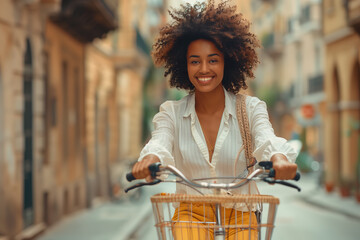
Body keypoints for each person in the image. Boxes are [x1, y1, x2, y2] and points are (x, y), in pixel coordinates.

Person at [131, 1, 298, 239]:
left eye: (213, 59)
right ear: (184, 65)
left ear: (226, 61)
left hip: (241, 211)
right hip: (191, 210)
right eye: (195, 61)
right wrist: (149, 159)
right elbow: (160, 140)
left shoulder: (250, 108)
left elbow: (265, 138)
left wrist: (279, 159)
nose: (204, 69)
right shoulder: (171, 112)